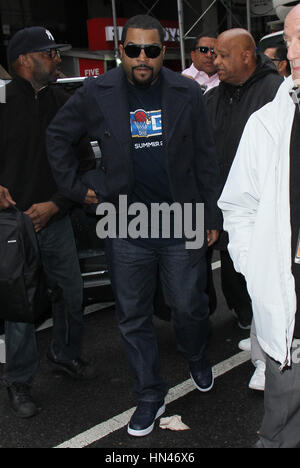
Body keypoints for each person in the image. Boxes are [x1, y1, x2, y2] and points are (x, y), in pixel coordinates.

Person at [47, 15, 222, 437]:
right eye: (133, 50)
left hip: (182, 221)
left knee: (188, 306)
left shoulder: (187, 92)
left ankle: (196, 353)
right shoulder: (96, 91)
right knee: (131, 316)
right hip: (125, 223)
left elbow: (205, 157)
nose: (142, 58)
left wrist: (213, 215)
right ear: (119, 51)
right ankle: (148, 393)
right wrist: (79, 188)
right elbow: (57, 136)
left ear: (164, 52)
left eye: (151, 50)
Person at [0, 27, 98, 419]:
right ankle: (19, 380)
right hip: (10, 227)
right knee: (20, 307)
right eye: (51, 53)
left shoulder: (64, 101)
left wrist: (56, 205)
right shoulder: (1, 98)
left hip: (54, 219)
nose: (58, 60)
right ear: (24, 59)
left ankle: (65, 354)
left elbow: (85, 164)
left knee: (72, 295)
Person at [218, 4, 300, 448]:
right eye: (289, 39)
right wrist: (258, 272)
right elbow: (238, 206)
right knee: (281, 431)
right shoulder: (267, 122)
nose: (293, 51)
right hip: (290, 319)